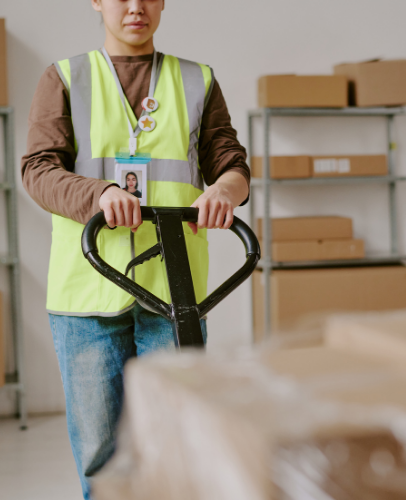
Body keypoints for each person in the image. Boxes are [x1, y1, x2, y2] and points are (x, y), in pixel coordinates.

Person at [21, 1, 250, 498]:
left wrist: (224, 191)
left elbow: (231, 162)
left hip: (175, 294)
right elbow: (38, 169)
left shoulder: (198, 80)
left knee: (178, 446)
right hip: (88, 294)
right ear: (97, 1)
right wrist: (99, 194)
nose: (135, 6)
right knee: (102, 456)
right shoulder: (65, 78)